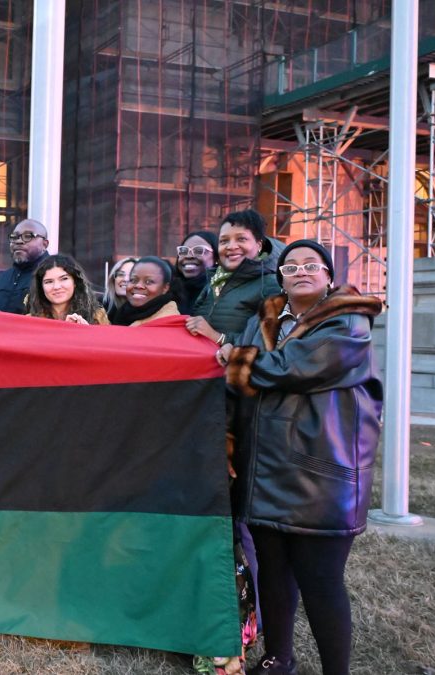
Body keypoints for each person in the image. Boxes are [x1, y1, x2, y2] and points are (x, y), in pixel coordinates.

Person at [221, 240, 382, 675]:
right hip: (263, 469)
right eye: (290, 267)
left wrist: (235, 357)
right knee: (273, 573)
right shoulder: (263, 321)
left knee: (320, 580)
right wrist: (229, 441)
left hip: (320, 473)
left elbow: (294, 366)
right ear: (281, 278)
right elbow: (237, 386)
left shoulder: (348, 321)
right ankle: (279, 658)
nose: (301, 272)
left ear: (328, 275)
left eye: (311, 265)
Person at [186, 209, 283, 347]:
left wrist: (219, 338)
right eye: (224, 241)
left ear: (259, 245)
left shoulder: (271, 284)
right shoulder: (214, 281)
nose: (231, 246)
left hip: (234, 361)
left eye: (241, 239)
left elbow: (269, 341)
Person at [0, 219, 50, 313]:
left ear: (44, 244)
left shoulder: (54, 277)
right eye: (14, 237)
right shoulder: (0, 280)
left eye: (28, 236)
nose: (18, 241)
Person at [27, 254, 109, 325]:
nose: (56, 287)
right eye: (49, 282)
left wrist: (87, 332)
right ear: (41, 287)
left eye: (64, 279)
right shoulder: (30, 321)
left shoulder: (97, 316)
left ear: (75, 282)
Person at [110, 256, 178, 326]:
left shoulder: (170, 323)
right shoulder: (121, 314)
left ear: (165, 288)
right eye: (133, 280)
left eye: (148, 282)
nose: (138, 286)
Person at [176, 231, 218, 315]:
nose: (189, 256)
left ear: (216, 257)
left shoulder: (221, 292)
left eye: (199, 250)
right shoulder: (168, 291)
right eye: (184, 251)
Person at [102, 257, 136, 322]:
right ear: (113, 279)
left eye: (132, 275)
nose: (126, 279)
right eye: (121, 274)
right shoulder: (99, 306)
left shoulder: (148, 312)